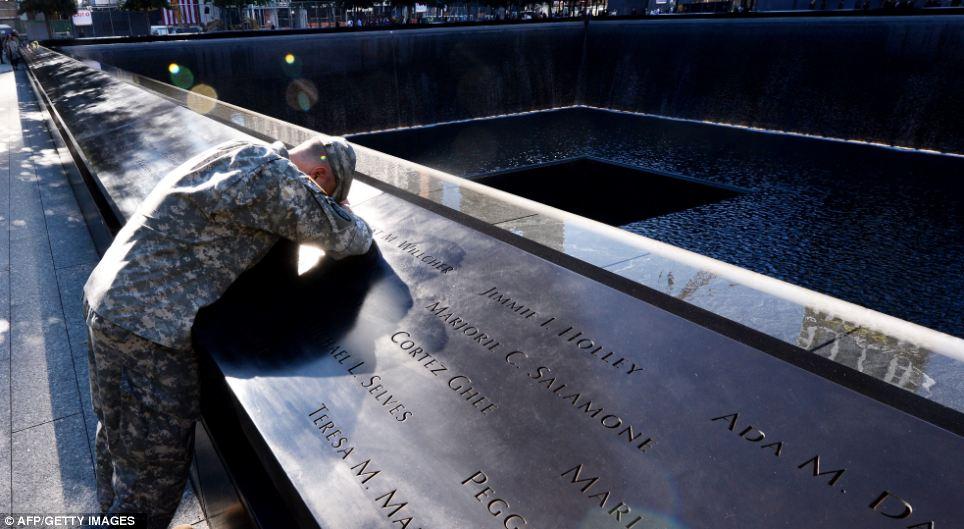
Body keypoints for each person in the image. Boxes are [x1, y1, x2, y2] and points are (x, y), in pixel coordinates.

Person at [82, 137, 373, 528]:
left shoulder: (243, 150)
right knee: (152, 484)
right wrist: (341, 212)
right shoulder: (277, 179)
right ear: (319, 175)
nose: (319, 200)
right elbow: (350, 237)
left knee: (116, 438)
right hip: (147, 330)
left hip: (108, 302)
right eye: (325, 195)